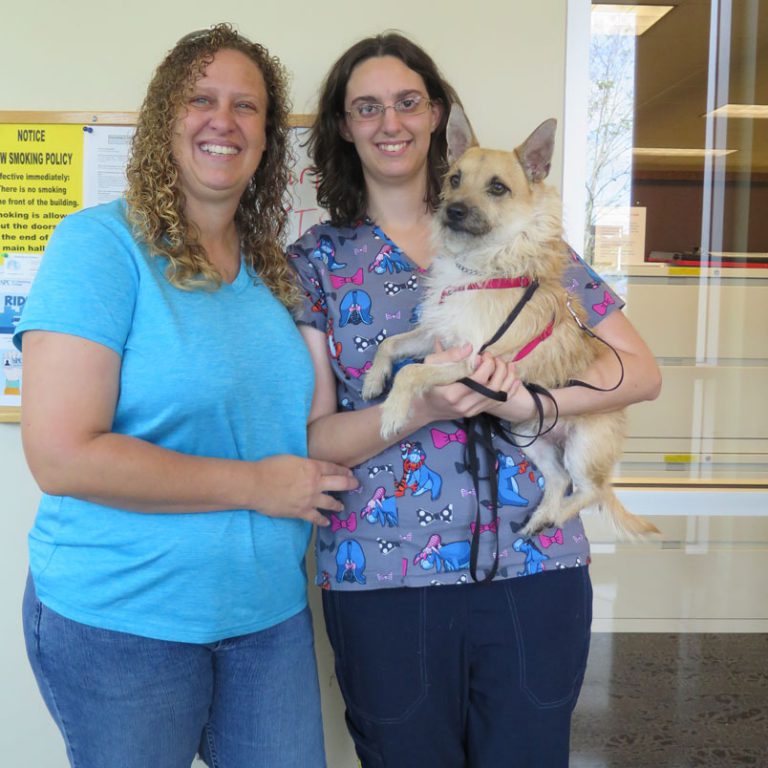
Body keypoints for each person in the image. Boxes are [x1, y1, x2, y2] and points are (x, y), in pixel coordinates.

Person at [287, 33, 662, 768]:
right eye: (366, 107)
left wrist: (533, 407)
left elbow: (640, 373)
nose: (390, 122)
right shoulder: (318, 263)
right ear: (343, 126)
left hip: (535, 570)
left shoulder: (534, 249)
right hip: (385, 575)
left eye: (407, 102)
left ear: (437, 116)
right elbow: (314, 440)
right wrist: (423, 408)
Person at [14, 24, 357, 768]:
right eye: (202, 99)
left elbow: (297, 432)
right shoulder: (100, 247)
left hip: (265, 617)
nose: (223, 120)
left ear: (266, 139)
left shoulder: (272, 274)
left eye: (246, 106)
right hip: (123, 620)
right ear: (164, 119)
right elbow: (62, 457)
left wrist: (419, 406)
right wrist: (258, 485)